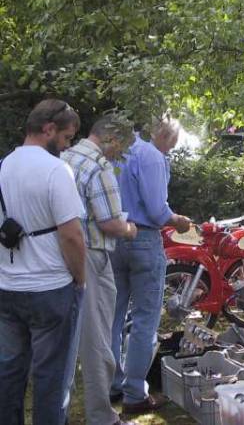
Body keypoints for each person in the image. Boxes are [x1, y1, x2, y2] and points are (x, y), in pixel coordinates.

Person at [0, 99, 86, 425]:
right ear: (48, 129)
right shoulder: (56, 170)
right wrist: (80, 278)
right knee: (49, 378)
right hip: (50, 289)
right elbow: (72, 236)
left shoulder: (2, 167)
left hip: (7, 289)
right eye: (65, 138)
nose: (65, 147)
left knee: (8, 373)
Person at [110, 115, 191, 415]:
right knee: (145, 319)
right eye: (173, 142)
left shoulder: (121, 149)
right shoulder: (152, 156)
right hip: (143, 239)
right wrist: (178, 221)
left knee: (115, 316)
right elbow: (158, 212)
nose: (171, 149)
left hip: (114, 237)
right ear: (166, 136)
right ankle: (134, 393)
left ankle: (113, 383)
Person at [62, 115, 139, 425]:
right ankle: (101, 416)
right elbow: (110, 223)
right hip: (92, 255)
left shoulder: (65, 157)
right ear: (112, 139)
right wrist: (131, 229)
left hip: (60, 256)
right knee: (96, 341)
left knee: (65, 340)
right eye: (122, 145)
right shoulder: (98, 166)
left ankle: (58, 412)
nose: (120, 152)